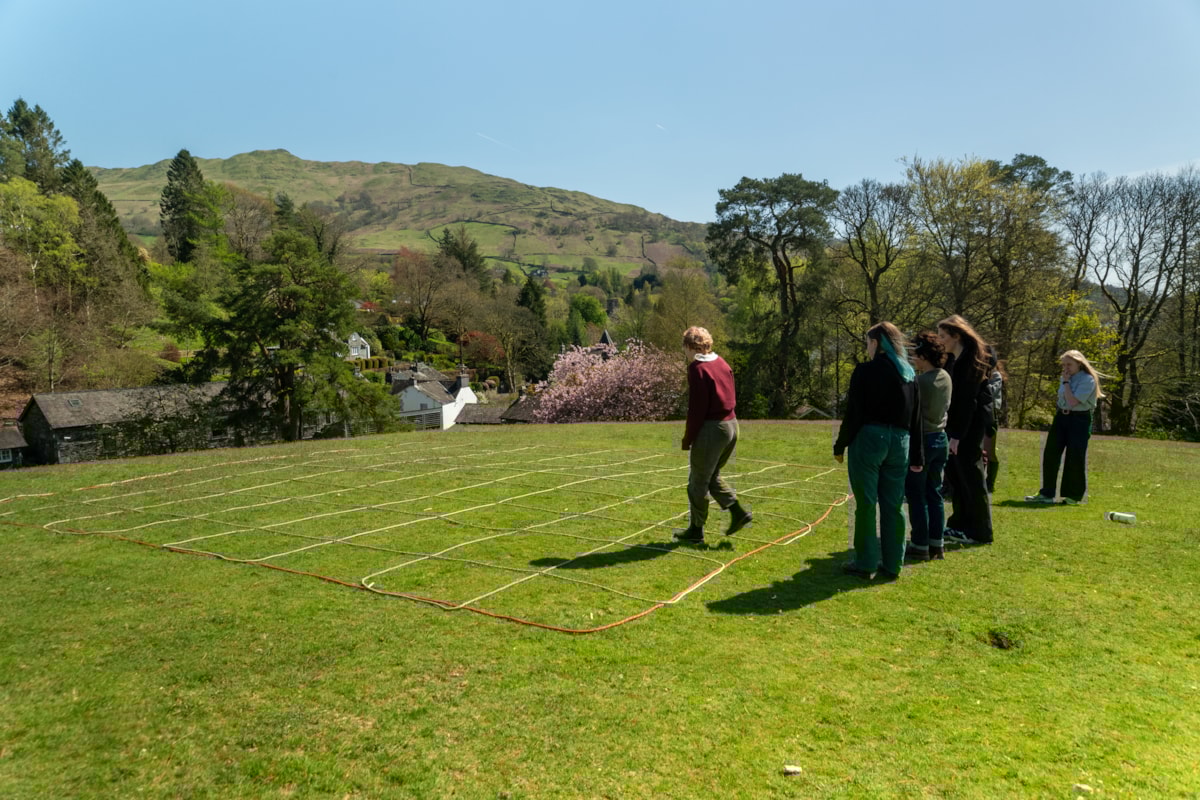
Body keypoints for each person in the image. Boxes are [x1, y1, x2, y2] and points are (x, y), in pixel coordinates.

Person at [834, 321, 923, 580]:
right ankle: (894, 563)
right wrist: (917, 455)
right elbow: (916, 417)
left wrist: (840, 444)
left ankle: (866, 562)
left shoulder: (865, 371)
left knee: (866, 503)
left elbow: (854, 413)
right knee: (894, 505)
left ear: (876, 343)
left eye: (867, 343)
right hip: (901, 443)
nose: (866, 348)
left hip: (870, 440)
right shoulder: (909, 375)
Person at [674, 326, 751, 544]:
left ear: (690, 347)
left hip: (712, 429)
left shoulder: (698, 369)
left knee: (697, 481)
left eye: (684, 348)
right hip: (731, 425)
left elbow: (696, 409)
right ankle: (738, 513)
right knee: (712, 475)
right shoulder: (722, 363)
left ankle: (696, 530)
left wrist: (688, 438)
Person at [937, 315, 994, 545]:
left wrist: (958, 436)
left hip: (968, 428)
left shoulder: (971, 361)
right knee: (956, 476)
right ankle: (959, 524)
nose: (940, 341)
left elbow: (968, 402)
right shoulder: (952, 360)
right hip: (953, 426)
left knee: (971, 477)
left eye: (943, 336)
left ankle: (980, 531)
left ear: (956, 336)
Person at [1026, 349, 1104, 505]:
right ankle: (1046, 493)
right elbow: (1062, 399)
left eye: (1069, 364)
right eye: (1064, 365)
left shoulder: (1087, 380)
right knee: (1051, 453)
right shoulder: (1066, 378)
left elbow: (1073, 401)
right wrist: (1065, 382)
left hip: (1079, 419)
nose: (1066, 368)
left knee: (1075, 456)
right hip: (1062, 416)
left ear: (1079, 364)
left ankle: (1072, 496)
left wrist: (1066, 383)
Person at [904, 332, 953, 561]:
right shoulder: (945, 376)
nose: (913, 359)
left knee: (917, 495)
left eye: (915, 355)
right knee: (934, 493)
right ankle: (937, 542)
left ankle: (920, 543)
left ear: (924, 355)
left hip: (922, 442)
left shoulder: (920, 382)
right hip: (940, 438)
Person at [982, 346, 1005, 494]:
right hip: (976, 414)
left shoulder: (995, 375)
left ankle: (990, 482)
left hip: (990, 416)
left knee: (989, 450)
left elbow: (990, 391)